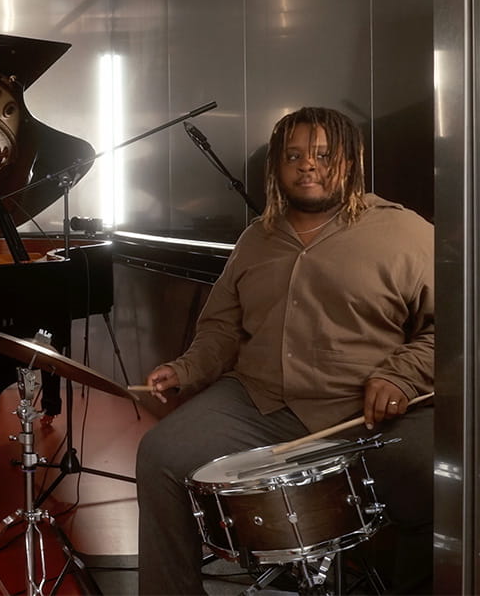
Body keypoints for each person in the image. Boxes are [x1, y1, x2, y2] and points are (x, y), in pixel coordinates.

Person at [135, 107, 433, 595]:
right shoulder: (256, 238)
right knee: (160, 454)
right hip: (261, 401)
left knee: (439, 483)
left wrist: (402, 376)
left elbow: (454, 328)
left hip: (366, 413)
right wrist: (186, 368)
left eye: (323, 155)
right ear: (277, 166)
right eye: (293, 156)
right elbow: (222, 328)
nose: (307, 165)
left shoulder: (406, 233)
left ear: (350, 161)